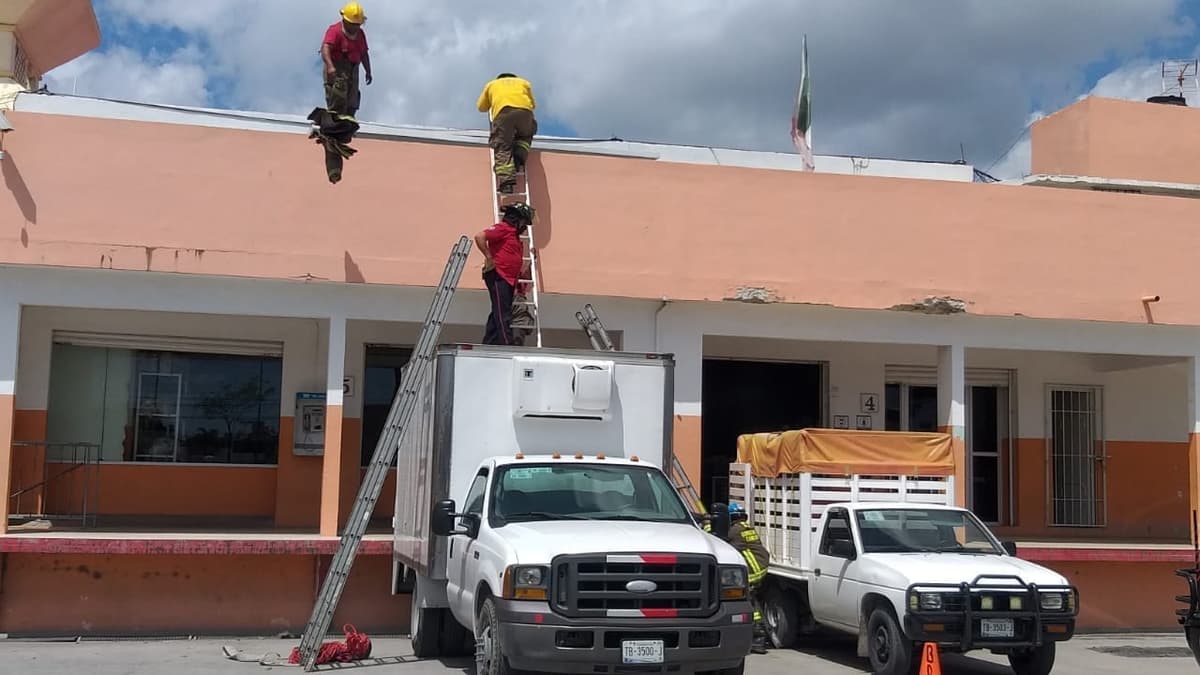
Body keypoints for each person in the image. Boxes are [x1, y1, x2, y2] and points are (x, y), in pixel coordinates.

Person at [475, 203, 534, 345]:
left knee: (498, 311)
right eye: (524, 223)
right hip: (498, 275)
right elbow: (480, 236)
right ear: (517, 220)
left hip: (508, 279)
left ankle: (489, 341)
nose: (525, 227)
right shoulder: (503, 229)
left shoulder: (513, 235)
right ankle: (506, 343)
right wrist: (489, 258)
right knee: (503, 313)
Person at [476, 73, 538, 194]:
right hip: (525, 112)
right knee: (526, 133)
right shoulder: (524, 82)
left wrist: (492, 101)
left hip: (503, 113)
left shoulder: (491, 85)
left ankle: (506, 183)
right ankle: (519, 156)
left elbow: (481, 107)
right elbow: (533, 105)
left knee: (502, 145)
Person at [727, 502, 770, 654]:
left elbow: (722, 543)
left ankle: (758, 636)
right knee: (752, 599)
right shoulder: (746, 527)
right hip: (760, 566)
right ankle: (759, 634)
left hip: (753, 570)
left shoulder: (734, 531)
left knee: (749, 601)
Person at [321, 2, 373, 118]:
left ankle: (347, 126)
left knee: (352, 101)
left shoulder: (360, 34)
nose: (355, 27)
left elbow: (364, 53)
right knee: (338, 97)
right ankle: (334, 124)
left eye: (357, 24)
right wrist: (330, 66)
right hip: (337, 69)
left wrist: (368, 71)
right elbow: (325, 48)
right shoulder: (335, 31)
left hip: (353, 70)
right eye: (352, 24)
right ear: (345, 20)